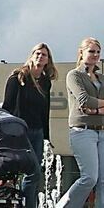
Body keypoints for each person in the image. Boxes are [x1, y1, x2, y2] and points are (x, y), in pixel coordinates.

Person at [2, 43, 56, 208]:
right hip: (19, 131)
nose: (40, 57)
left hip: (37, 132)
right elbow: (7, 106)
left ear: (48, 60)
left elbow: (45, 111)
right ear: (32, 55)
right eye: (37, 53)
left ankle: (26, 204)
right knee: (22, 171)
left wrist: (46, 136)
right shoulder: (18, 78)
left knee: (35, 172)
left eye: (44, 55)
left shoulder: (45, 82)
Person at [57, 37, 104, 208]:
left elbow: (92, 104)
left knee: (103, 181)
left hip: (102, 130)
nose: (96, 55)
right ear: (81, 52)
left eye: (98, 52)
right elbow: (84, 100)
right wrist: (95, 106)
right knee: (90, 177)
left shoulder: (101, 77)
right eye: (91, 51)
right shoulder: (74, 75)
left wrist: (96, 109)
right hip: (82, 131)